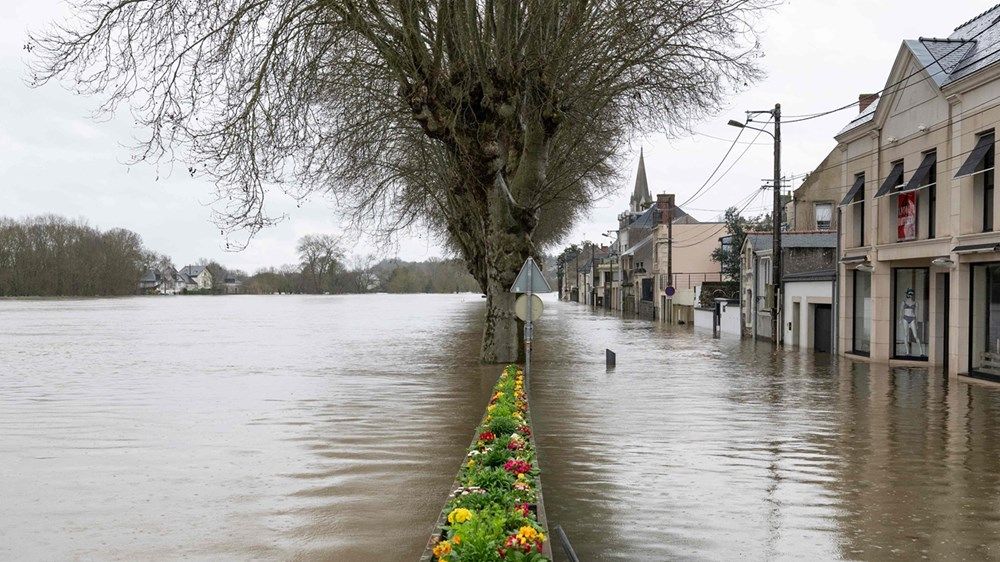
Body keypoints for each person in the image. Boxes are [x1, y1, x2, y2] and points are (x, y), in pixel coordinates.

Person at [900, 288, 923, 356]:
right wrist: (900, 319)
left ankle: (921, 352)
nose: (910, 295)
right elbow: (901, 311)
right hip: (905, 318)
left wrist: (916, 322)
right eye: (909, 294)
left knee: (915, 335)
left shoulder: (915, 302)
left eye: (911, 294)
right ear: (907, 294)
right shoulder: (903, 302)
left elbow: (916, 313)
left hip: (912, 318)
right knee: (906, 335)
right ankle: (907, 352)